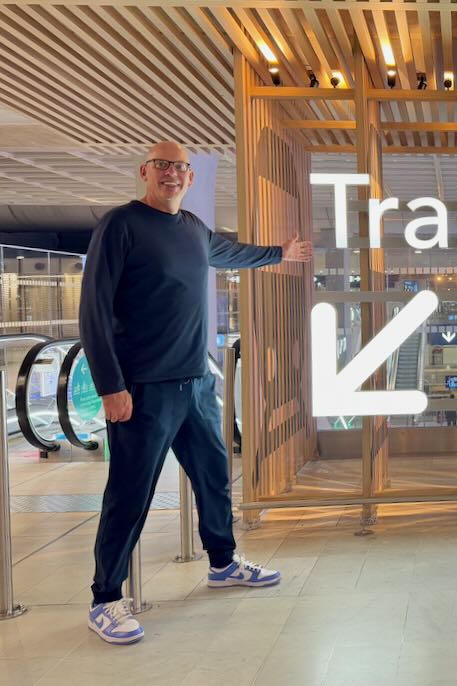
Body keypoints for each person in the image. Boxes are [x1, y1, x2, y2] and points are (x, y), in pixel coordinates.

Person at [79, 141, 312, 645]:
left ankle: (223, 563)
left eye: (181, 168)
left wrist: (280, 254)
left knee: (214, 477)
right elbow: (92, 309)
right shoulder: (120, 226)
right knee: (130, 493)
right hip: (143, 389)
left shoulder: (194, 230)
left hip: (195, 382)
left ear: (189, 178)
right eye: (163, 165)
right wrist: (111, 386)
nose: (173, 174)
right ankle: (105, 598)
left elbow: (233, 252)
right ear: (145, 171)